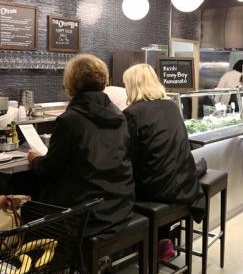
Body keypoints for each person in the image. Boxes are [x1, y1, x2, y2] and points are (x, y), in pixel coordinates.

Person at [25, 54, 134, 237]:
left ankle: (42, 260)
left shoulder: (70, 120)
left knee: (27, 208)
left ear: (70, 85)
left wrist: (35, 159)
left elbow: (48, 169)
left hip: (86, 214)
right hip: (121, 205)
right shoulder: (119, 115)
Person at [122, 64, 206, 262]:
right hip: (184, 183)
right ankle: (163, 238)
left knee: (132, 185)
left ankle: (138, 247)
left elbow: (130, 157)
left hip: (157, 188)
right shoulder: (171, 106)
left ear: (133, 86)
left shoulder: (132, 113)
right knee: (180, 168)